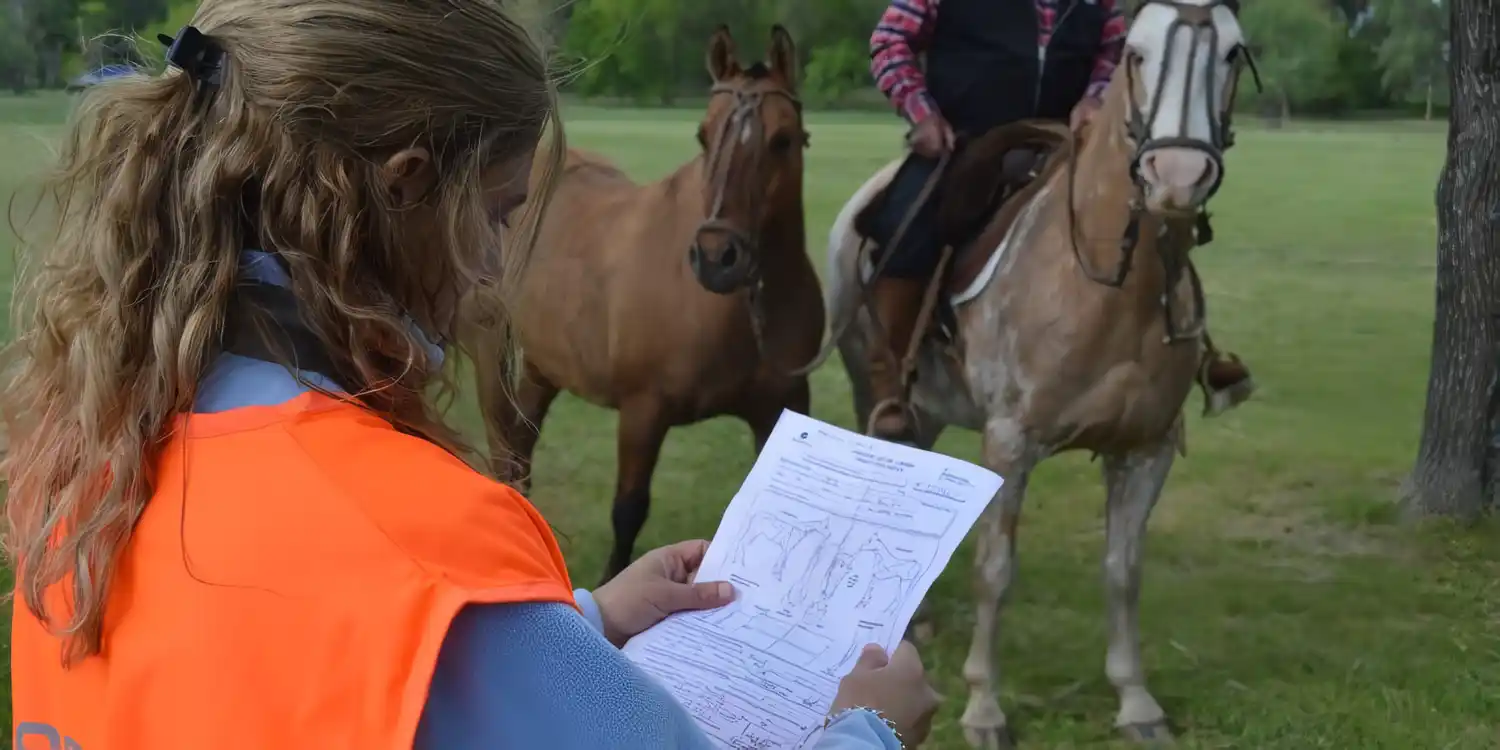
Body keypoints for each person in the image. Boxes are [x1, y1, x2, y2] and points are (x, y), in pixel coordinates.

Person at [2, 2, 940, 749]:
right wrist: (872, 726)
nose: (496, 268)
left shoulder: (86, 455)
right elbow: (404, 598)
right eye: (497, 213)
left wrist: (578, 625)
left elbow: (275, 667)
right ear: (406, 186)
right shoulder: (436, 549)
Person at [862, 0, 1254, 442]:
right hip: (964, 141)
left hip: (1063, 143)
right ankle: (890, 380)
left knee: (1148, 218)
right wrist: (922, 113)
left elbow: (1116, 52)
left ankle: (1190, 351)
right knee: (905, 227)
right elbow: (890, 42)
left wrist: (1094, 97)